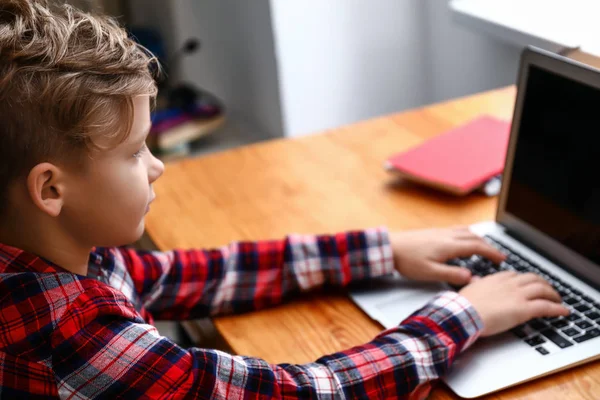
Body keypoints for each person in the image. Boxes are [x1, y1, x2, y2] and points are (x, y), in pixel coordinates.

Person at [0, 1, 569, 399]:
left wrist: (380, 250)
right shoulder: (72, 332)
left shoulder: (62, 253)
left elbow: (193, 275)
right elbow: (301, 394)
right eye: (132, 152)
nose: (158, 165)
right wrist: (460, 317)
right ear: (51, 189)